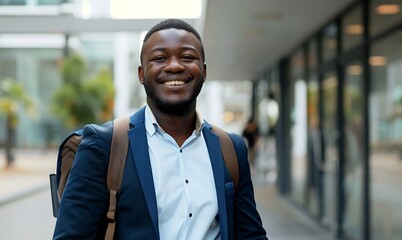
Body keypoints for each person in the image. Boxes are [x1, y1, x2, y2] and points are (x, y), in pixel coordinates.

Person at [53, 19, 267, 240]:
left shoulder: (231, 148)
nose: (174, 66)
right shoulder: (104, 145)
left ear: (203, 72)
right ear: (142, 74)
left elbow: (251, 235)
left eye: (187, 57)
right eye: (160, 58)